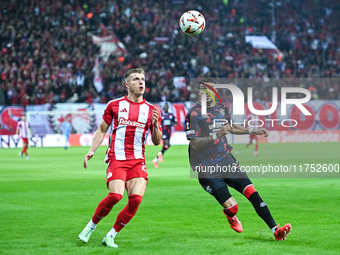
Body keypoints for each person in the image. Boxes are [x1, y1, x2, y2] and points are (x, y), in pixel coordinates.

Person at [185, 78, 291, 241]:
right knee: (233, 207)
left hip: (227, 161)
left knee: (252, 192)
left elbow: (232, 127)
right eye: (203, 89)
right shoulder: (193, 114)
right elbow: (195, 143)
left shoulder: (221, 109)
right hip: (207, 168)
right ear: (199, 92)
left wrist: (253, 131)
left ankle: (276, 230)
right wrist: (217, 134)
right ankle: (231, 215)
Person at [78, 68, 162, 248]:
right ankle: (91, 226)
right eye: (136, 79)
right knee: (115, 195)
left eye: (143, 79)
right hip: (117, 158)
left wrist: (155, 125)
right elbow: (102, 130)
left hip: (138, 160)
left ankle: (111, 235)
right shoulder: (115, 105)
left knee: (136, 200)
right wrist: (92, 150)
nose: (141, 82)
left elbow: (156, 141)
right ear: (127, 84)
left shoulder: (151, 110)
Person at [152, 102, 177, 168]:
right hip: (163, 132)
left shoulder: (171, 115)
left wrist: (173, 123)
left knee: (168, 145)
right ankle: (160, 154)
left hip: (169, 132)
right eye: (165, 107)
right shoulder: (161, 115)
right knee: (166, 144)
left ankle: (156, 159)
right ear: (163, 108)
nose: (166, 108)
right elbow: (157, 123)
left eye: (167, 106)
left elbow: (175, 123)